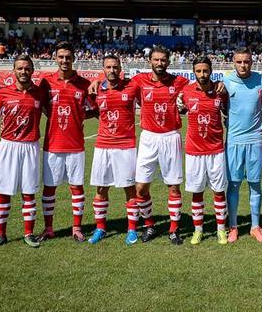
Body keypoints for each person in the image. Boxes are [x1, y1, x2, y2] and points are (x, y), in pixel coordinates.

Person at [0, 54, 47, 249]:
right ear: (14, 70)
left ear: (32, 71)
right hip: (8, 146)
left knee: (29, 192)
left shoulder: (39, 93)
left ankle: (29, 233)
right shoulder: (3, 93)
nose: (23, 71)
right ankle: (0, 234)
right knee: (4, 191)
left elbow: (52, 113)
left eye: (27, 68)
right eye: (20, 68)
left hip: (30, 147)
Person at [132, 46, 189, 245]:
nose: (159, 63)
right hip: (148, 138)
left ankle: (174, 229)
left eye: (163, 60)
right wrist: (98, 81)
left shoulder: (180, 82)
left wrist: (218, 86)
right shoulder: (139, 81)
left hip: (170, 137)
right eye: (156, 60)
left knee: (173, 186)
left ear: (169, 62)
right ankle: (149, 224)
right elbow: (118, 85)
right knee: (140, 187)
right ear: (150, 61)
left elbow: (201, 87)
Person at [38, 41, 91, 243]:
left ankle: (77, 228)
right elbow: (41, 106)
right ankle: (48, 228)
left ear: (73, 59)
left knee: (76, 187)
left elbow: (93, 109)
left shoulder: (84, 84)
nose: (64, 60)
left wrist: (77, 118)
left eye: (68, 57)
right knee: (49, 187)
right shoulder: (46, 82)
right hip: (52, 144)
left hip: (76, 145)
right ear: (55, 58)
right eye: (61, 57)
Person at [86, 55, 142, 245]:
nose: (112, 70)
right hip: (103, 145)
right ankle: (100, 228)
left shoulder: (132, 86)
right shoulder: (96, 91)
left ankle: (132, 229)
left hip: (125, 146)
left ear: (120, 68)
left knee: (129, 188)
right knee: (101, 188)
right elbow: (93, 111)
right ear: (103, 69)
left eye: (115, 67)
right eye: (108, 67)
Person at [178, 57, 228, 245]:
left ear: (211, 71)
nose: (202, 74)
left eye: (205, 71)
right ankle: (198, 230)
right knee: (197, 192)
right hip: (194, 151)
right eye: (198, 71)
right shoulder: (186, 91)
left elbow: (229, 112)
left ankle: (221, 230)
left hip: (216, 150)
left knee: (219, 191)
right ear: (194, 72)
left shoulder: (220, 91)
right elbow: (180, 109)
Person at [224, 47, 262, 243]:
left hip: (255, 141)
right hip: (234, 141)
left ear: (252, 62)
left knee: (255, 184)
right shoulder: (225, 82)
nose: (243, 65)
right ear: (234, 62)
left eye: (247, 61)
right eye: (239, 62)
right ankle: (233, 226)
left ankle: (255, 226)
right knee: (233, 184)